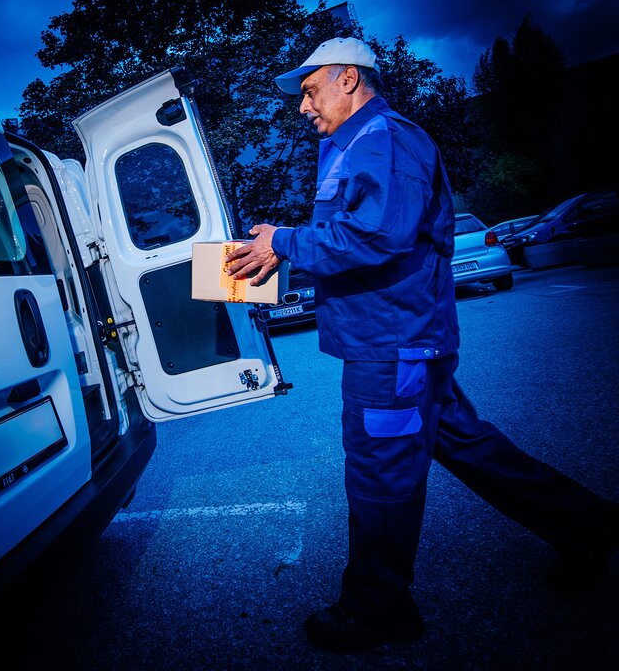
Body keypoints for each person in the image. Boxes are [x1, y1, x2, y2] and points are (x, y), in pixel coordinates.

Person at [224, 37, 619, 654]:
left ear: (348, 78)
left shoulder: (385, 138)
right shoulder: (353, 144)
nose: (303, 107)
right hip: (397, 341)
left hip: (395, 346)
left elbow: (378, 234)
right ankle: (588, 526)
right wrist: (275, 253)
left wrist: (285, 242)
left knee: (380, 472)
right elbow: (352, 237)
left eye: (309, 91)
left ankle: (377, 609)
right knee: (468, 445)